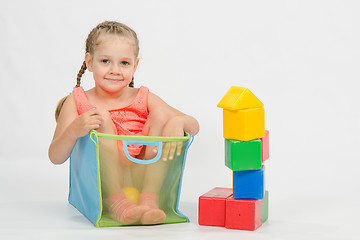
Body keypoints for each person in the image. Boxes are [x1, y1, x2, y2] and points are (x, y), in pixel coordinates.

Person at [48, 21, 199, 225]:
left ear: (135, 65)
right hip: (104, 178)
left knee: (163, 114)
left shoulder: (143, 96)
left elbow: (194, 125)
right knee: (100, 116)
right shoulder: (77, 100)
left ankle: (150, 200)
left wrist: (178, 122)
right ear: (90, 62)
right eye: (105, 61)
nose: (115, 70)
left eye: (124, 63)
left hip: (141, 171)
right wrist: (75, 129)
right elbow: (55, 157)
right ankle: (116, 202)